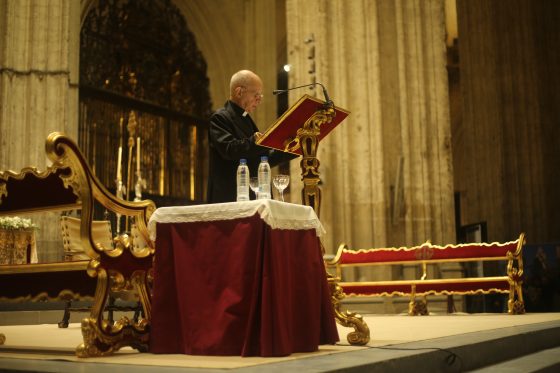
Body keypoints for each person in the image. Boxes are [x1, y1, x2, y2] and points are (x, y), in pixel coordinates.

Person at [207, 70, 295, 203]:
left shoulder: (246, 119)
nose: (259, 99)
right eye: (256, 94)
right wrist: (257, 141)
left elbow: (262, 159)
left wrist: (291, 147)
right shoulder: (220, 118)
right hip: (231, 197)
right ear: (239, 92)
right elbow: (229, 149)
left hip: (255, 196)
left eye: (260, 95)